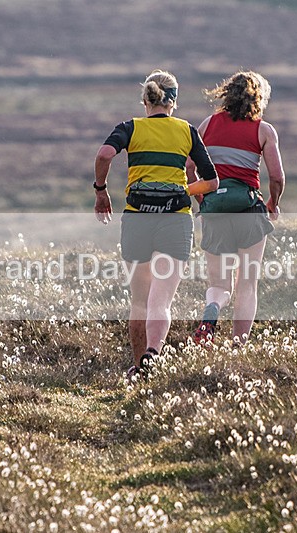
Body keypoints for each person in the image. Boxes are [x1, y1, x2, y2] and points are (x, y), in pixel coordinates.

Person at [93, 69, 218, 380]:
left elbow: (104, 154)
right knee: (161, 301)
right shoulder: (187, 131)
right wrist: (184, 190)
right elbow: (213, 181)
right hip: (175, 220)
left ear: (145, 100)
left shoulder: (130, 128)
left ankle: (139, 368)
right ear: (173, 101)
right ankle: (153, 351)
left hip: (138, 219)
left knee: (139, 301)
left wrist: (101, 190)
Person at [188, 71, 285, 346]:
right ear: (259, 99)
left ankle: (212, 310)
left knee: (219, 285)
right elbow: (277, 177)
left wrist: (203, 200)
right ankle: (238, 346)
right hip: (248, 210)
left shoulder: (208, 125)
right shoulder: (263, 130)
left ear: (227, 94)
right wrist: (273, 203)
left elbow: (189, 168)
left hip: (215, 210)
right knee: (247, 284)